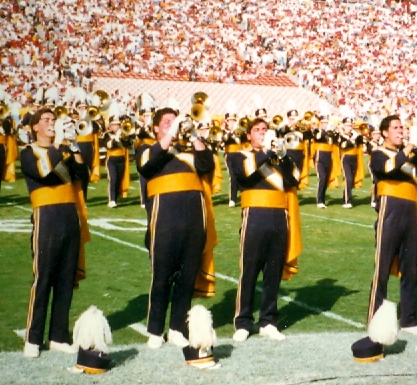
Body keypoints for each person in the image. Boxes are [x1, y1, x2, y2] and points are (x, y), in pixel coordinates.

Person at [137, 105, 216, 349]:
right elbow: (145, 165)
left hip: (193, 219)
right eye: (166, 123)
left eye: (175, 121)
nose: (173, 125)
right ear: (155, 128)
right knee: (162, 277)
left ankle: (177, 328)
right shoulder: (147, 149)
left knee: (186, 277)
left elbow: (208, 164)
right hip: (165, 221)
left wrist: (193, 134)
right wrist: (172, 134)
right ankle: (155, 330)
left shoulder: (190, 151)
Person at [19, 107, 90, 358]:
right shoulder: (28, 153)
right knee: (44, 278)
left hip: (70, 217)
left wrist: (75, 147)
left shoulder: (64, 152)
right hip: (46, 218)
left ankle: (58, 336)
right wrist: (59, 144)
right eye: (46, 121)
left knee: (65, 281)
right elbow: (43, 172)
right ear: (35, 127)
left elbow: (84, 177)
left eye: (53, 120)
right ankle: (33, 338)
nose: (51, 123)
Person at [232, 118, 301, 342]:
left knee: (273, 273)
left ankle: (268, 321)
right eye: (258, 130)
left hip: (279, 216)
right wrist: (266, 151)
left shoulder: (278, 157)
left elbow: (294, 180)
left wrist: (283, 156)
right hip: (254, 215)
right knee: (249, 271)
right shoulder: (239, 155)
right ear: (249, 135)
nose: (262, 133)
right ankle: (243, 322)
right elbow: (245, 175)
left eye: (265, 130)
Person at [367, 115, 417, 333]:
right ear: (385, 132)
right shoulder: (378, 153)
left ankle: (408, 320)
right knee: (383, 267)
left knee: (410, 268)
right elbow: (387, 168)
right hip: (390, 209)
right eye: (396, 128)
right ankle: (374, 316)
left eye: (402, 128)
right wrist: (409, 147)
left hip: (410, 211)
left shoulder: (408, 155)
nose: (401, 131)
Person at [103, 115, 134, 207]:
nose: (117, 126)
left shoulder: (123, 134)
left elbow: (129, 145)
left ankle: (115, 199)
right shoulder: (107, 134)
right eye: (115, 125)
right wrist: (116, 138)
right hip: (112, 160)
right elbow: (109, 145)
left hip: (122, 160)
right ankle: (111, 200)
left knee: (119, 180)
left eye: (118, 125)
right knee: (113, 179)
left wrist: (127, 136)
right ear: (110, 126)